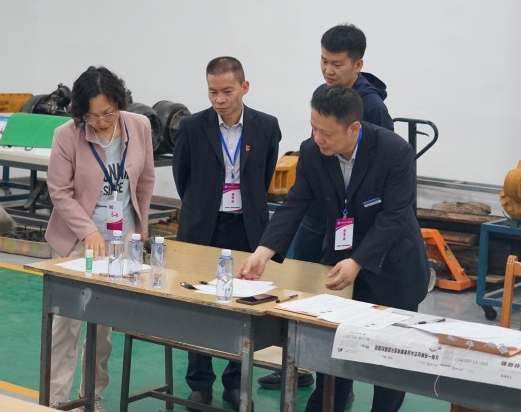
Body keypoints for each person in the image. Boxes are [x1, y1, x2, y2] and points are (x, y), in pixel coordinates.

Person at [238, 85, 429, 412]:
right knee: (336, 351)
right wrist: (263, 251)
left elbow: (395, 216)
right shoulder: (312, 152)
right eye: (313, 128)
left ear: (353, 128)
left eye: (326, 133)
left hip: (393, 266)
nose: (318, 139)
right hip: (341, 265)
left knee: (390, 362)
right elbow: (295, 203)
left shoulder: (394, 151)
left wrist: (358, 261)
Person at [262, 23, 396, 395]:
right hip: (319, 221)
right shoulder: (324, 100)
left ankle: (337, 385)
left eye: (337, 64)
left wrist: (358, 254)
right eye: (323, 61)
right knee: (307, 296)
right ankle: (303, 366)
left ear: (358, 64)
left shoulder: (372, 109)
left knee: (345, 308)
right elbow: (299, 195)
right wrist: (265, 249)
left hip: (350, 227)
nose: (328, 70)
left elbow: (380, 190)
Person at [172, 56, 281, 411]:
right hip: (203, 227)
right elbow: (182, 177)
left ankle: (235, 382)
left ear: (244, 88)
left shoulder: (266, 126)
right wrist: (204, 206)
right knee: (197, 304)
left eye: (227, 91)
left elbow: (264, 176)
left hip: (246, 228)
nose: (219, 99)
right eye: (212, 91)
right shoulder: (192, 126)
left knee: (242, 307)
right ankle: (199, 383)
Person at [44, 66, 155, 411]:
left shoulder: (139, 126)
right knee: (67, 326)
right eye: (92, 117)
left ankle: (92, 396)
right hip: (79, 242)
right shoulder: (67, 135)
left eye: (108, 113)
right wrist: (88, 230)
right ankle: (55, 401)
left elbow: (146, 180)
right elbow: (59, 191)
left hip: (121, 242)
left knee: (103, 329)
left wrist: (141, 229)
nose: (102, 122)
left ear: (119, 103)